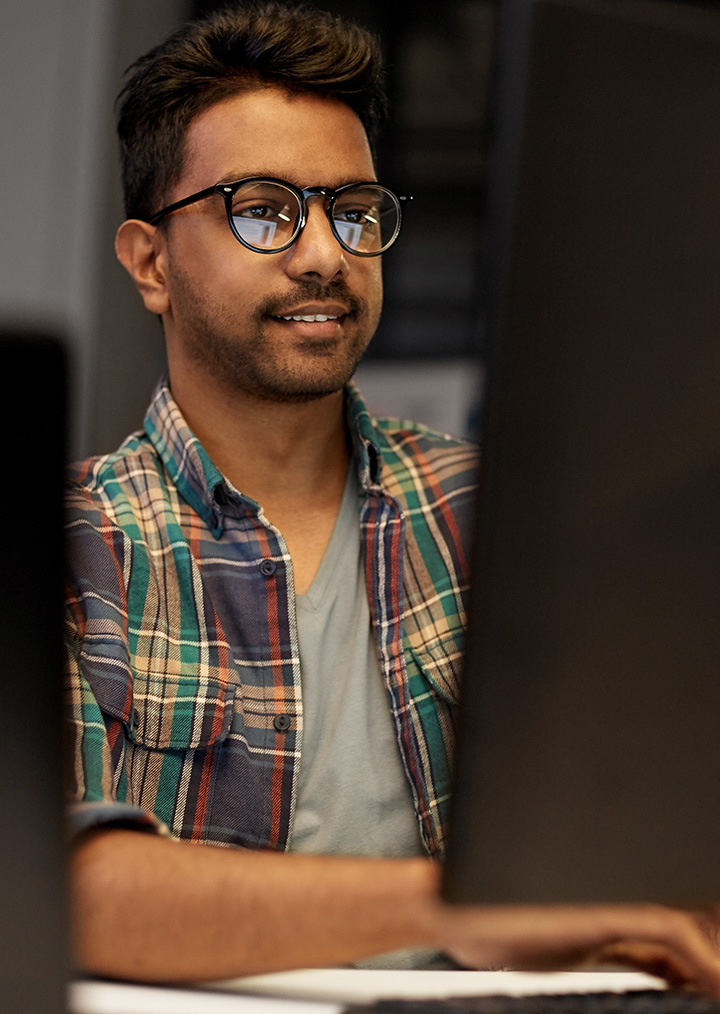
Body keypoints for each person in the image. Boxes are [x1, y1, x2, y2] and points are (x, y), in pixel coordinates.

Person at [63, 0, 720, 991]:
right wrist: (468, 903)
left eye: (355, 211)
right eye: (263, 209)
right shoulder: (75, 546)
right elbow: (65, 889)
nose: (325, 253)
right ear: (150, 262)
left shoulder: (501, 525)